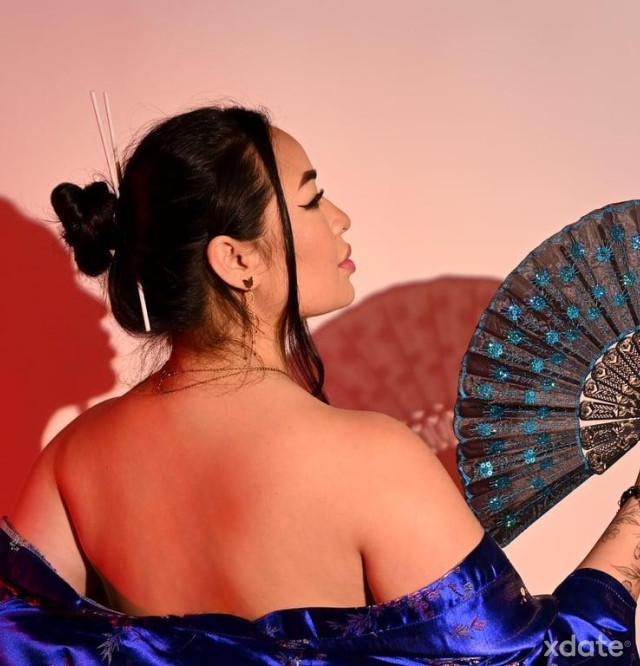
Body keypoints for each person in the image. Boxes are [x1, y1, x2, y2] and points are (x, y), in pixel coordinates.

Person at [0, 104, 638, 664]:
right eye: (310, 200)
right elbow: (534, 661)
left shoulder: (72, 461)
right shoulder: (371, 460)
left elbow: (14, 639)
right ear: (237, 258)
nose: (340, 218)